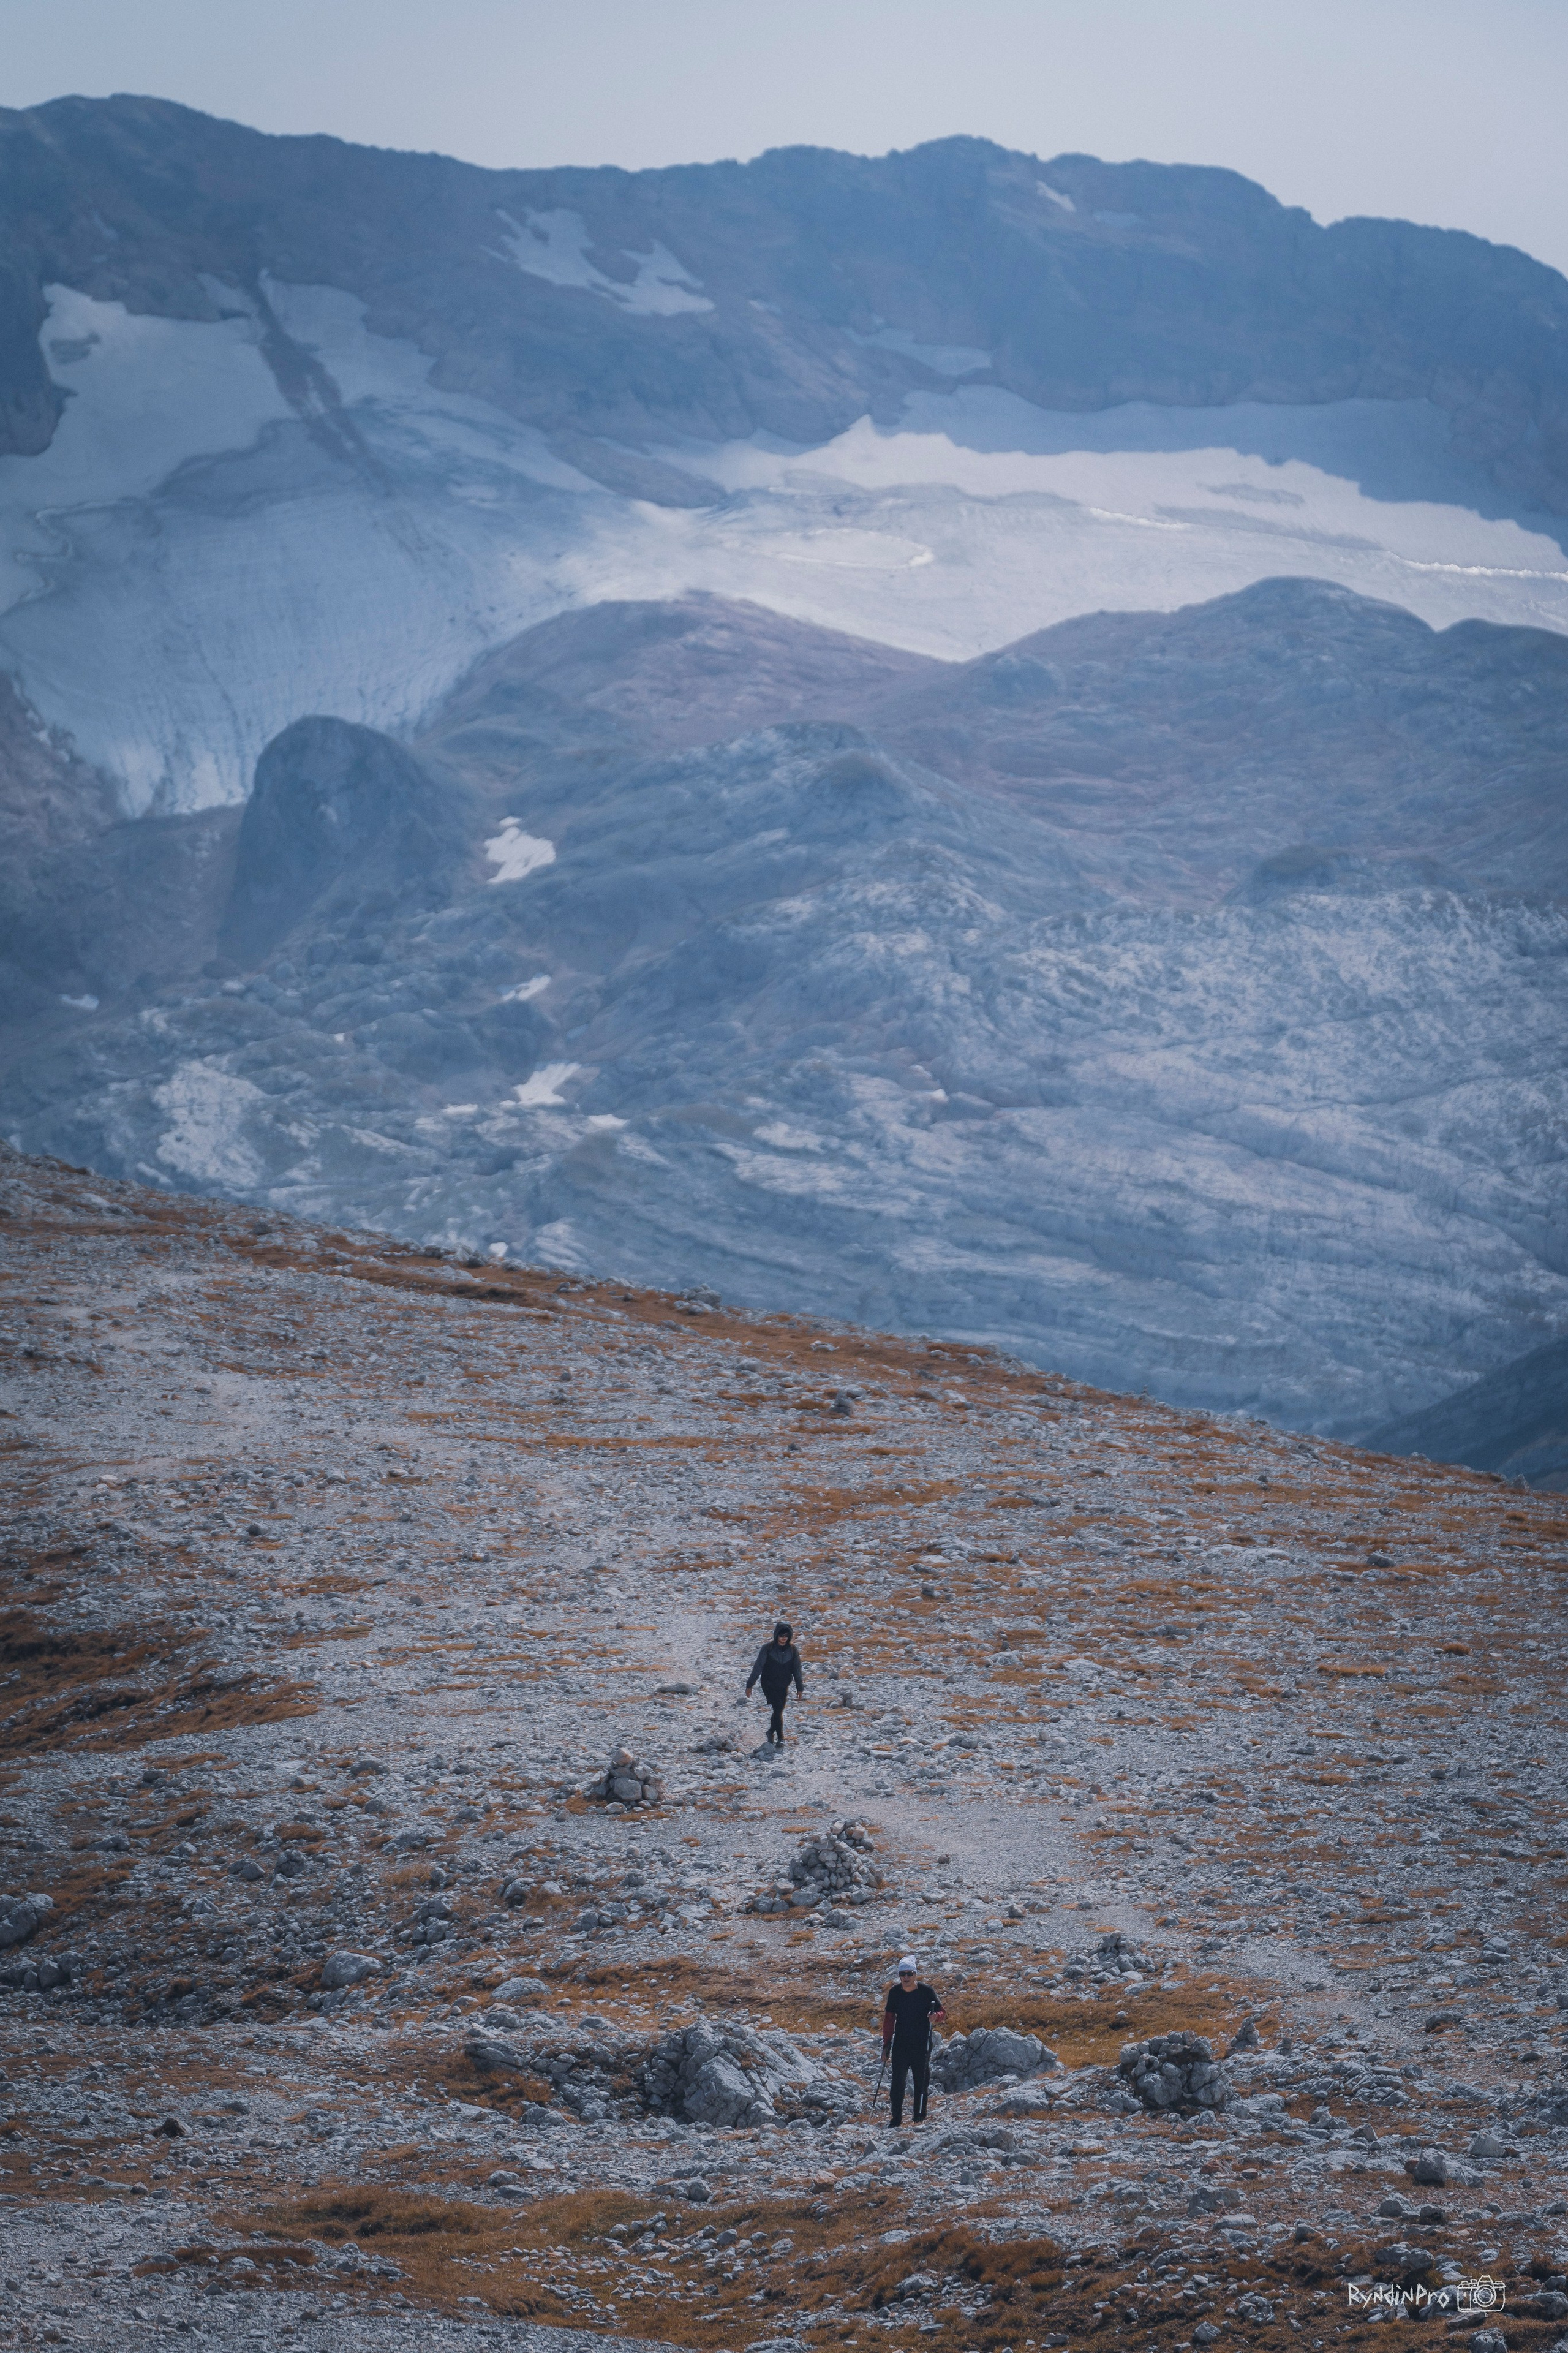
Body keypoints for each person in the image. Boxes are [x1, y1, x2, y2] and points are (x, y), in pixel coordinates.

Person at [883, 1954, 944, 2126]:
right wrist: (886, 2046)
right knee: (897, 2084)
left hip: (922, 2044)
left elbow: (942, 2013)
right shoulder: (895, 1993)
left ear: (915, 1975)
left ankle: (919, 2117)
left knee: (921, 2081)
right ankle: (896, 2120)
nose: (906, 1977)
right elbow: (889, 2020)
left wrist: (935, 2017)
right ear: (899, 1976)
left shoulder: (926, 1991)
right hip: (901, 2044)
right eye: (903, 1974)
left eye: (910, 1973)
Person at [745, 1620, 804, 1746]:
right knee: (778, 1708)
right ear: (776, 1635)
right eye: (781, 1636)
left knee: (778, 1710)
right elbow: (758, 1667)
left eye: (786, 1636)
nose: (783, 1639)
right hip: (768, 1684)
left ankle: (771, 1732)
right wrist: (750, 1685)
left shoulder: (793, 1650)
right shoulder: (767, 1648)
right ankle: (781, 1737)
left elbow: (797, 1669)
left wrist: (800, 1687)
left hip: (783, 1685)